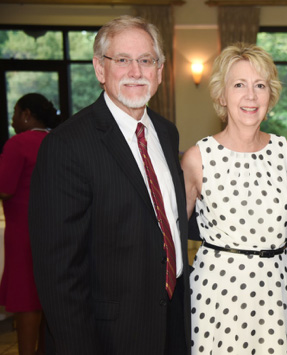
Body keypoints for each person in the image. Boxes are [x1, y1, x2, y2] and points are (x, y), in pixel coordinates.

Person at [28, 16, 190, 355]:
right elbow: (58, 274)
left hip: (172, 323)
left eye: (146, 60)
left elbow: (166, 221)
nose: (136, 71)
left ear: (160, 71)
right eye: (122, 60)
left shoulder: (166, 132)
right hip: (107, 336)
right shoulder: (67, 145)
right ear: (100, 69)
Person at [181, 42, 287, 354]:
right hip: (216, 296)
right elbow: (169, 236)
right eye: (239, 85)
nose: (250, 96)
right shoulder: (198, 158)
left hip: (274, 296)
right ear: (222, 95)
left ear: (270, 95)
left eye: (260, 85)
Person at [0, 93, 59, 355]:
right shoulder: (57, 141)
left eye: (15, 112)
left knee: (26, 303)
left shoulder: (18, 144)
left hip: (23, 235)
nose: (12, 119)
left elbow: (5, 188)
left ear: (26, 115)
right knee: (49, 300)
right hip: (55, 234)